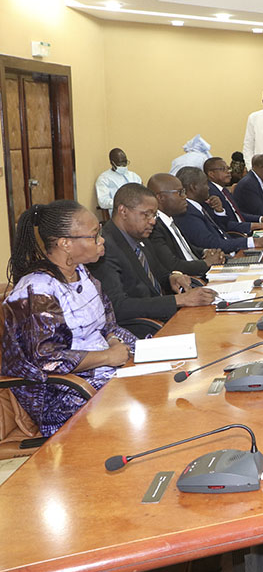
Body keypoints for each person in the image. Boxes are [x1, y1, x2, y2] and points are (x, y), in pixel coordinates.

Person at [2, 200, 135, 435]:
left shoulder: (81, 273)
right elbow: (48, 359)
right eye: (94, 235)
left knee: (160, 376)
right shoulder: (37, 291)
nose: (102, 240)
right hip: (63, 394)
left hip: (102, 369)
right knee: (141, 402)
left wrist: (114, 341)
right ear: (65, 243)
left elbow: (107, 323)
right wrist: (108, 356)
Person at [88, 184, 216, 333]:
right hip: (143, 329)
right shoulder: (104, 248)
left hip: (165, 318)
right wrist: (179, 300)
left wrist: (173, 278)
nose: (153, 221)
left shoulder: (140, 238)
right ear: (123, 211)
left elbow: (160, 274)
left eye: (154, 215)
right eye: (146, 214)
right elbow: (118, 306)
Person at [174, 167, 263, 255]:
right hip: (224, 257)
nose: (208, 187)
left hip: (231, 250)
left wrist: (219, 211)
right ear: (193, 187)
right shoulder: (187, 212)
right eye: (205, 184)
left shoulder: (198, 205)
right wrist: (252, 242)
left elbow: (223, 228)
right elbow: (211, 244)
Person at [147, 173, 223, 278]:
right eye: (180, 192)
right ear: (160, 197)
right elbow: (173, 265)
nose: (185, 197)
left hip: (201, 273)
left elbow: (186, 248)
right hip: (191, 280)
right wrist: (207, 263)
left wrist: (206, 252)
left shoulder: (171, 219)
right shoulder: (154, 228)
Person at [203, 157, 263, 232]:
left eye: (228, 168)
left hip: (245, 230)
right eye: (223, 169)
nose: (228, 172)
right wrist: (261, 225)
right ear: (211, 174)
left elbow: (237, 215)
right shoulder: (210, 193)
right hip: (236, 236)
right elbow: (225, 224)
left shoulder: (223, 190)